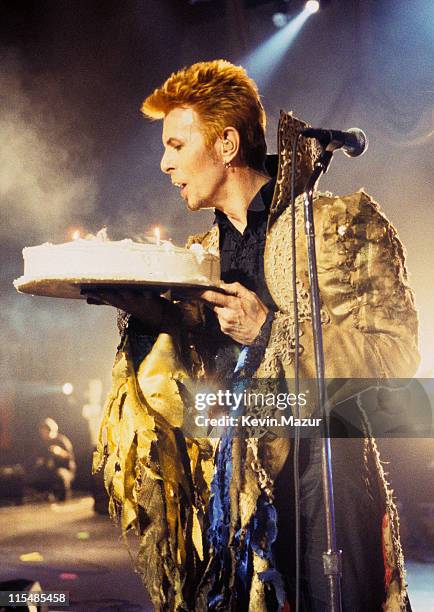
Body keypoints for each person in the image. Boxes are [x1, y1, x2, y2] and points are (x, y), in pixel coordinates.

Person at [90, 60, 419, 611]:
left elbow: (396, 354)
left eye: (176, 144)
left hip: (326, 476)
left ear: (225, 144)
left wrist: (273, 332)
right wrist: (164, 325)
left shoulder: (334, 225)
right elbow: (198, 397)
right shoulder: (199, 259)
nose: (165, 162)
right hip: (233, 497)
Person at [27, 417, 76, 502]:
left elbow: (70, 457)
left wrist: (60, 452)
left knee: (60, 474)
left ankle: (64, 498)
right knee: (36, 474)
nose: (44, 434)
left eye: (46, 431)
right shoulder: (43, 443)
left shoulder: (61, 440)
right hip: (50, 470)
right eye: (42, 432)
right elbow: (38, 458)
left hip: (65, 470)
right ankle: (45, 495)